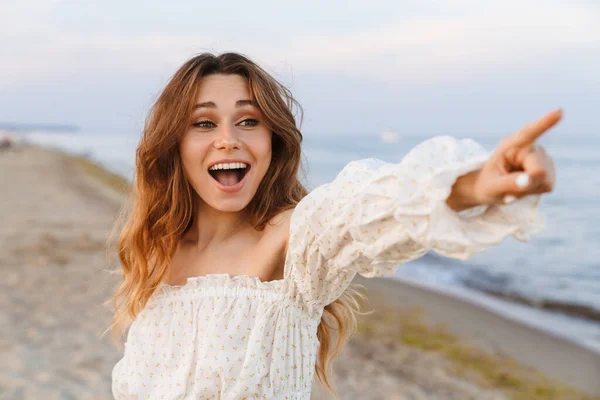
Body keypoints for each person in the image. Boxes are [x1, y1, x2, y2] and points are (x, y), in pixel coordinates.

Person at [109, 52, 558, 399]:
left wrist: (477, 184)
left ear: (273, 142)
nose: (229, 138)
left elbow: (363, 212)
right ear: (175, 144)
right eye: (204, 123)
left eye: (249, 121)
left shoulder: (295, 237)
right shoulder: (157, 254)